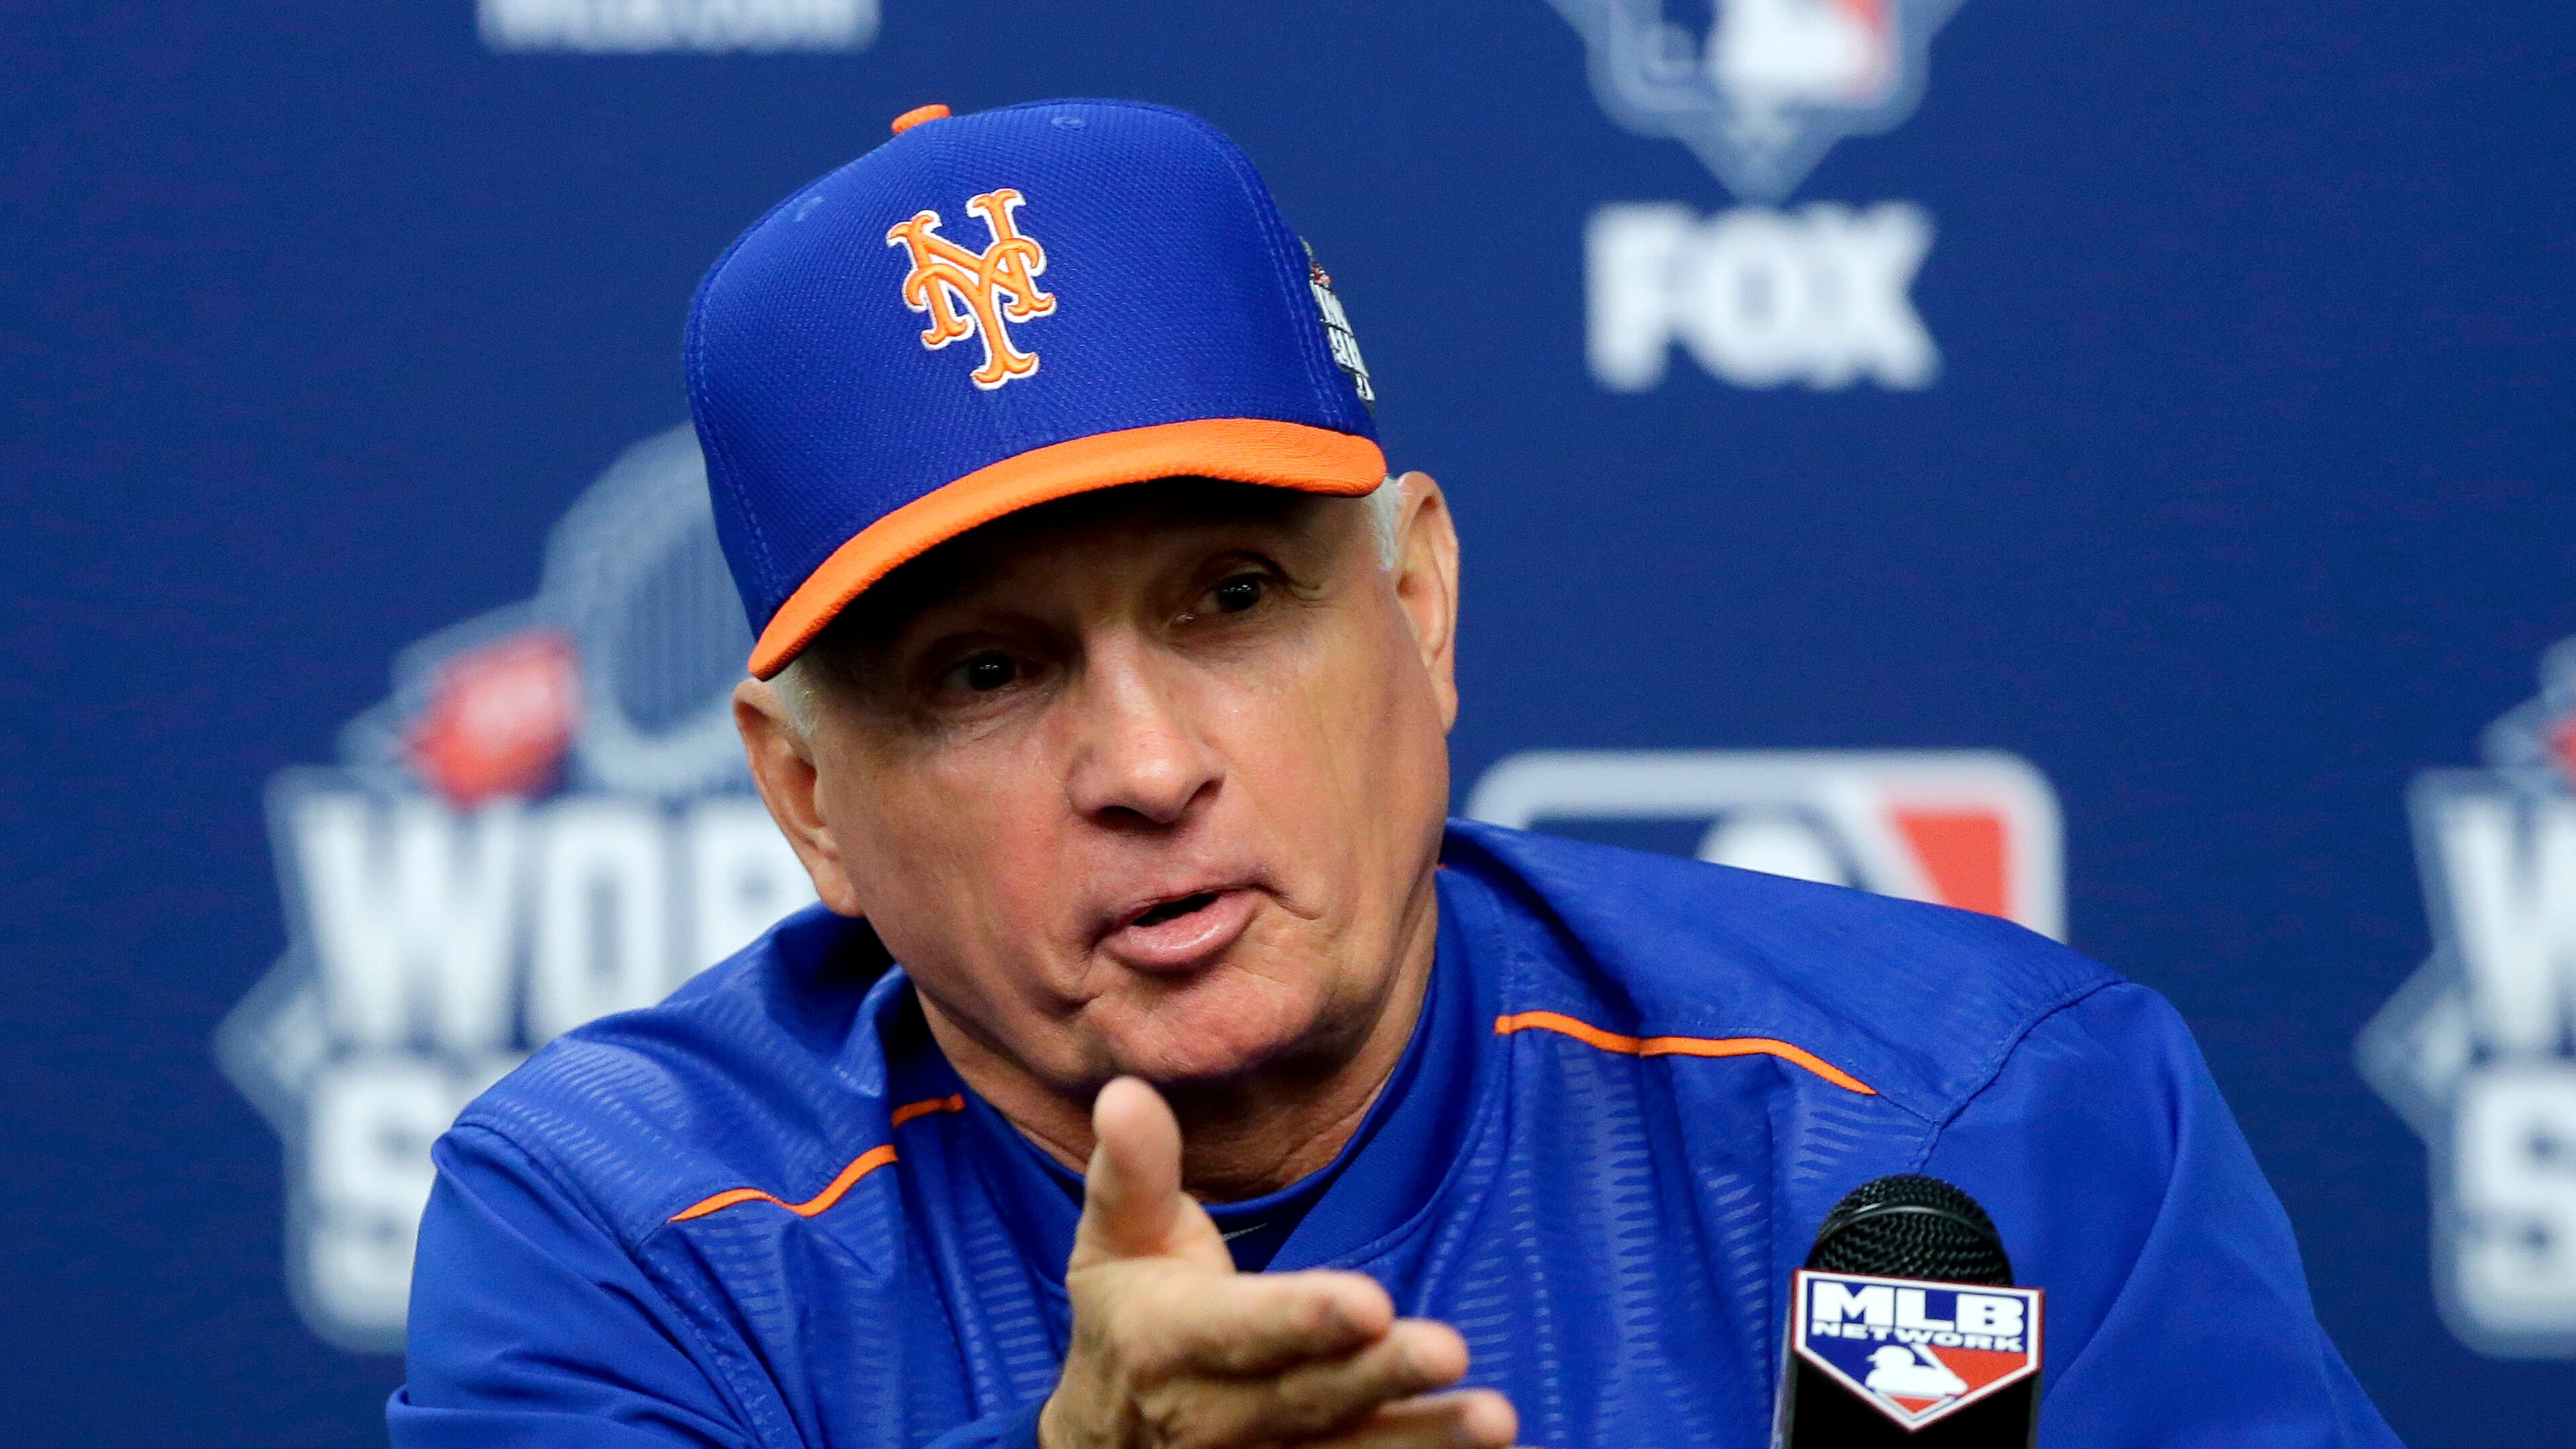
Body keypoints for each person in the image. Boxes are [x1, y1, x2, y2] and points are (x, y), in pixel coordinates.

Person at [390, 99, 2400, 1449]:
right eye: (987, 671)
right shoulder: (637, 1240)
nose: (1151, 763)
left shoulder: (1979, 1125)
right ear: (809, 799)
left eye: (1235, 597)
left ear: (1421, 606)